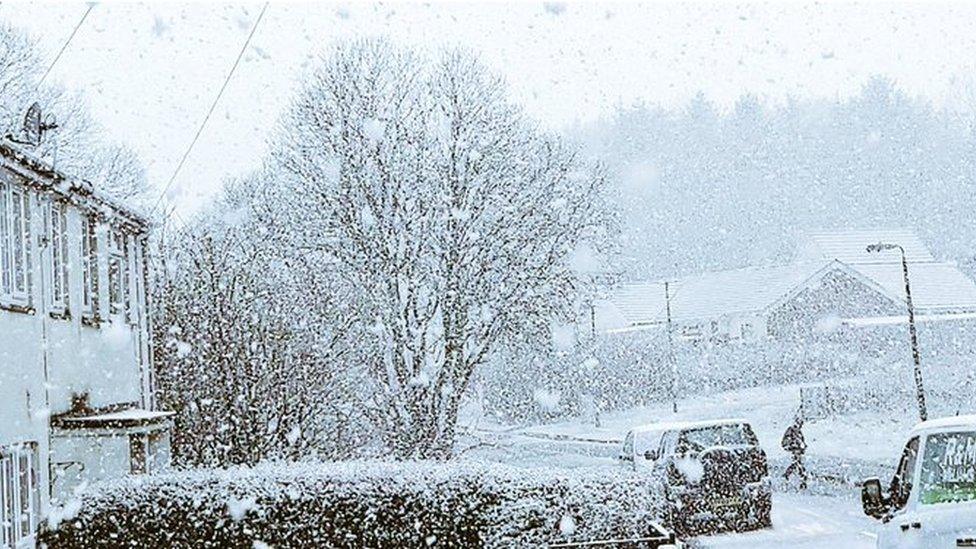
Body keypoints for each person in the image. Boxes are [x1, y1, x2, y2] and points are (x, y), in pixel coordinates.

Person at [781, 414, 808, 490]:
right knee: (797, 464)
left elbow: (801, 441)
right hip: (795, 450)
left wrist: (803, 446)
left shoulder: (798, 431)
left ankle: (790, 476)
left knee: (797, 464)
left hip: (798, 451)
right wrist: (793, 446)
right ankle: (802, 479)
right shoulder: (791, 430)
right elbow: (785, 441)